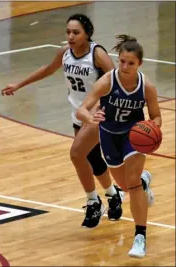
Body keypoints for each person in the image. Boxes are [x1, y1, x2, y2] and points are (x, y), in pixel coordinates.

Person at [1, 15, 150, 230]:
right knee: (92, 159)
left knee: (77, 154)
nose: (70, 36)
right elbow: (48, 69)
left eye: (76, 32)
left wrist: (100, 108)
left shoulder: (97, 54)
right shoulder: (64, 53)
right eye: (68, 32)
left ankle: (93, 201)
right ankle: (113, 194)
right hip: (78, 113)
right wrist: (20, 84)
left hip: (98, 114)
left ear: (86, 34)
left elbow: (115, 82)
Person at [76, 34, 161, 257]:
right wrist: (89, 118)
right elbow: (82, 109)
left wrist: (152, 128)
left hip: (133, 137)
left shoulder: (146, 87)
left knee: (131, 186)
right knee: (126, 184)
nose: (124, 66)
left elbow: (156, 116)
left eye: (130, 63)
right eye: (122, 61)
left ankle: (140, 237)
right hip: (109, 136)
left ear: (139, 64)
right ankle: (144, 181)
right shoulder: (107, 81)